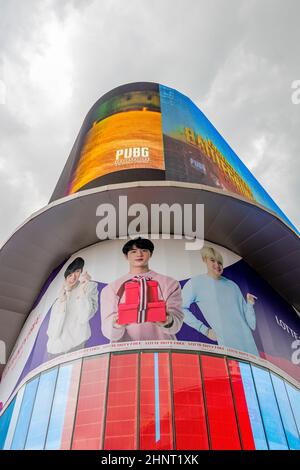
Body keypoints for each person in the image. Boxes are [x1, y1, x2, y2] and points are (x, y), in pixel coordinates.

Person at [101, 237, 184, 342]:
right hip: (125, 352)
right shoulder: (111, 288)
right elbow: (108, 332)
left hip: (163, 348)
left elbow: (176, 324)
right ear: (126, 256)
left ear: (151, 254)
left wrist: (168, 320)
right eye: (133, 251)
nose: (139, 254)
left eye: (144, 250)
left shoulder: (170, 283)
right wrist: (116, 324)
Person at [182, 246, 259, 355]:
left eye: (220, 262)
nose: (217, 265)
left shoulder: (232, 286)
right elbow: (179, 309)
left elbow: (252, 325)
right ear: (204, 260)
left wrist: (250, 304)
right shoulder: (195, 283)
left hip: (250, 348)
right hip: (229, 349)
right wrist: (204, 330)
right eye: (212, 260)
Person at [47, 257, 98, 355]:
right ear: (65, 277)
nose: (73, 277)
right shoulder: (60, 297)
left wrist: (82, 289)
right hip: (54, 350)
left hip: (76, 346)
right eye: (70, 274)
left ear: (82, 272)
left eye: (77, 271)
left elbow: (84, 317)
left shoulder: (89, 288)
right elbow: (52, 332)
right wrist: (62, 301)